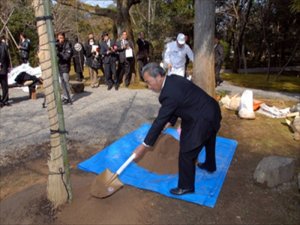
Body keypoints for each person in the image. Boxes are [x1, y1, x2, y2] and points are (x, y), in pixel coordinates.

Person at [133, 63, 222, 196]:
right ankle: (210, 164)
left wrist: (144, 145)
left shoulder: (168, 94)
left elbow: (159, 122)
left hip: (202, 117)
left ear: (158, 76)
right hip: (211, 109)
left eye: (149, 82)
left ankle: (186, 186)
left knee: (187, 151)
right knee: (209, 138)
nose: (149, 86)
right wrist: (170, 121)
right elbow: (179, 103)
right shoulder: (173, 79)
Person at [56, 32, 73, 104]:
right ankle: (65, 96)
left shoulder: (67, 44)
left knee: (66, 81)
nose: (60, 39)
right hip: (59, 65)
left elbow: (67, 56)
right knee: (61, 82)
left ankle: (69, 97)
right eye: (58, 38)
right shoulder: (57, 44)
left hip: (65, 66)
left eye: (61, 38)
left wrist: (59, 54)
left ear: (64, 37)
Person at [0, 36, 10, 107]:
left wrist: (8, 66)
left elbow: (7, 57)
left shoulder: (4, 46)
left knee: (4, 85)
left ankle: (5, 100)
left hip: (3, 68)